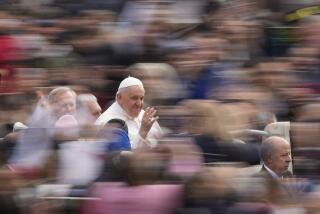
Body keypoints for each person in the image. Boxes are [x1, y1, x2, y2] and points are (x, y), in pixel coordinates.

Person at [96, 76, 162, 149]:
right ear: (119, 97)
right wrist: (142, 133)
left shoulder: (145, 116)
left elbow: (161, 142)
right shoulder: (107, 122)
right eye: (134, 98)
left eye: (141, 98)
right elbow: (119, 156)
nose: (139, 104)